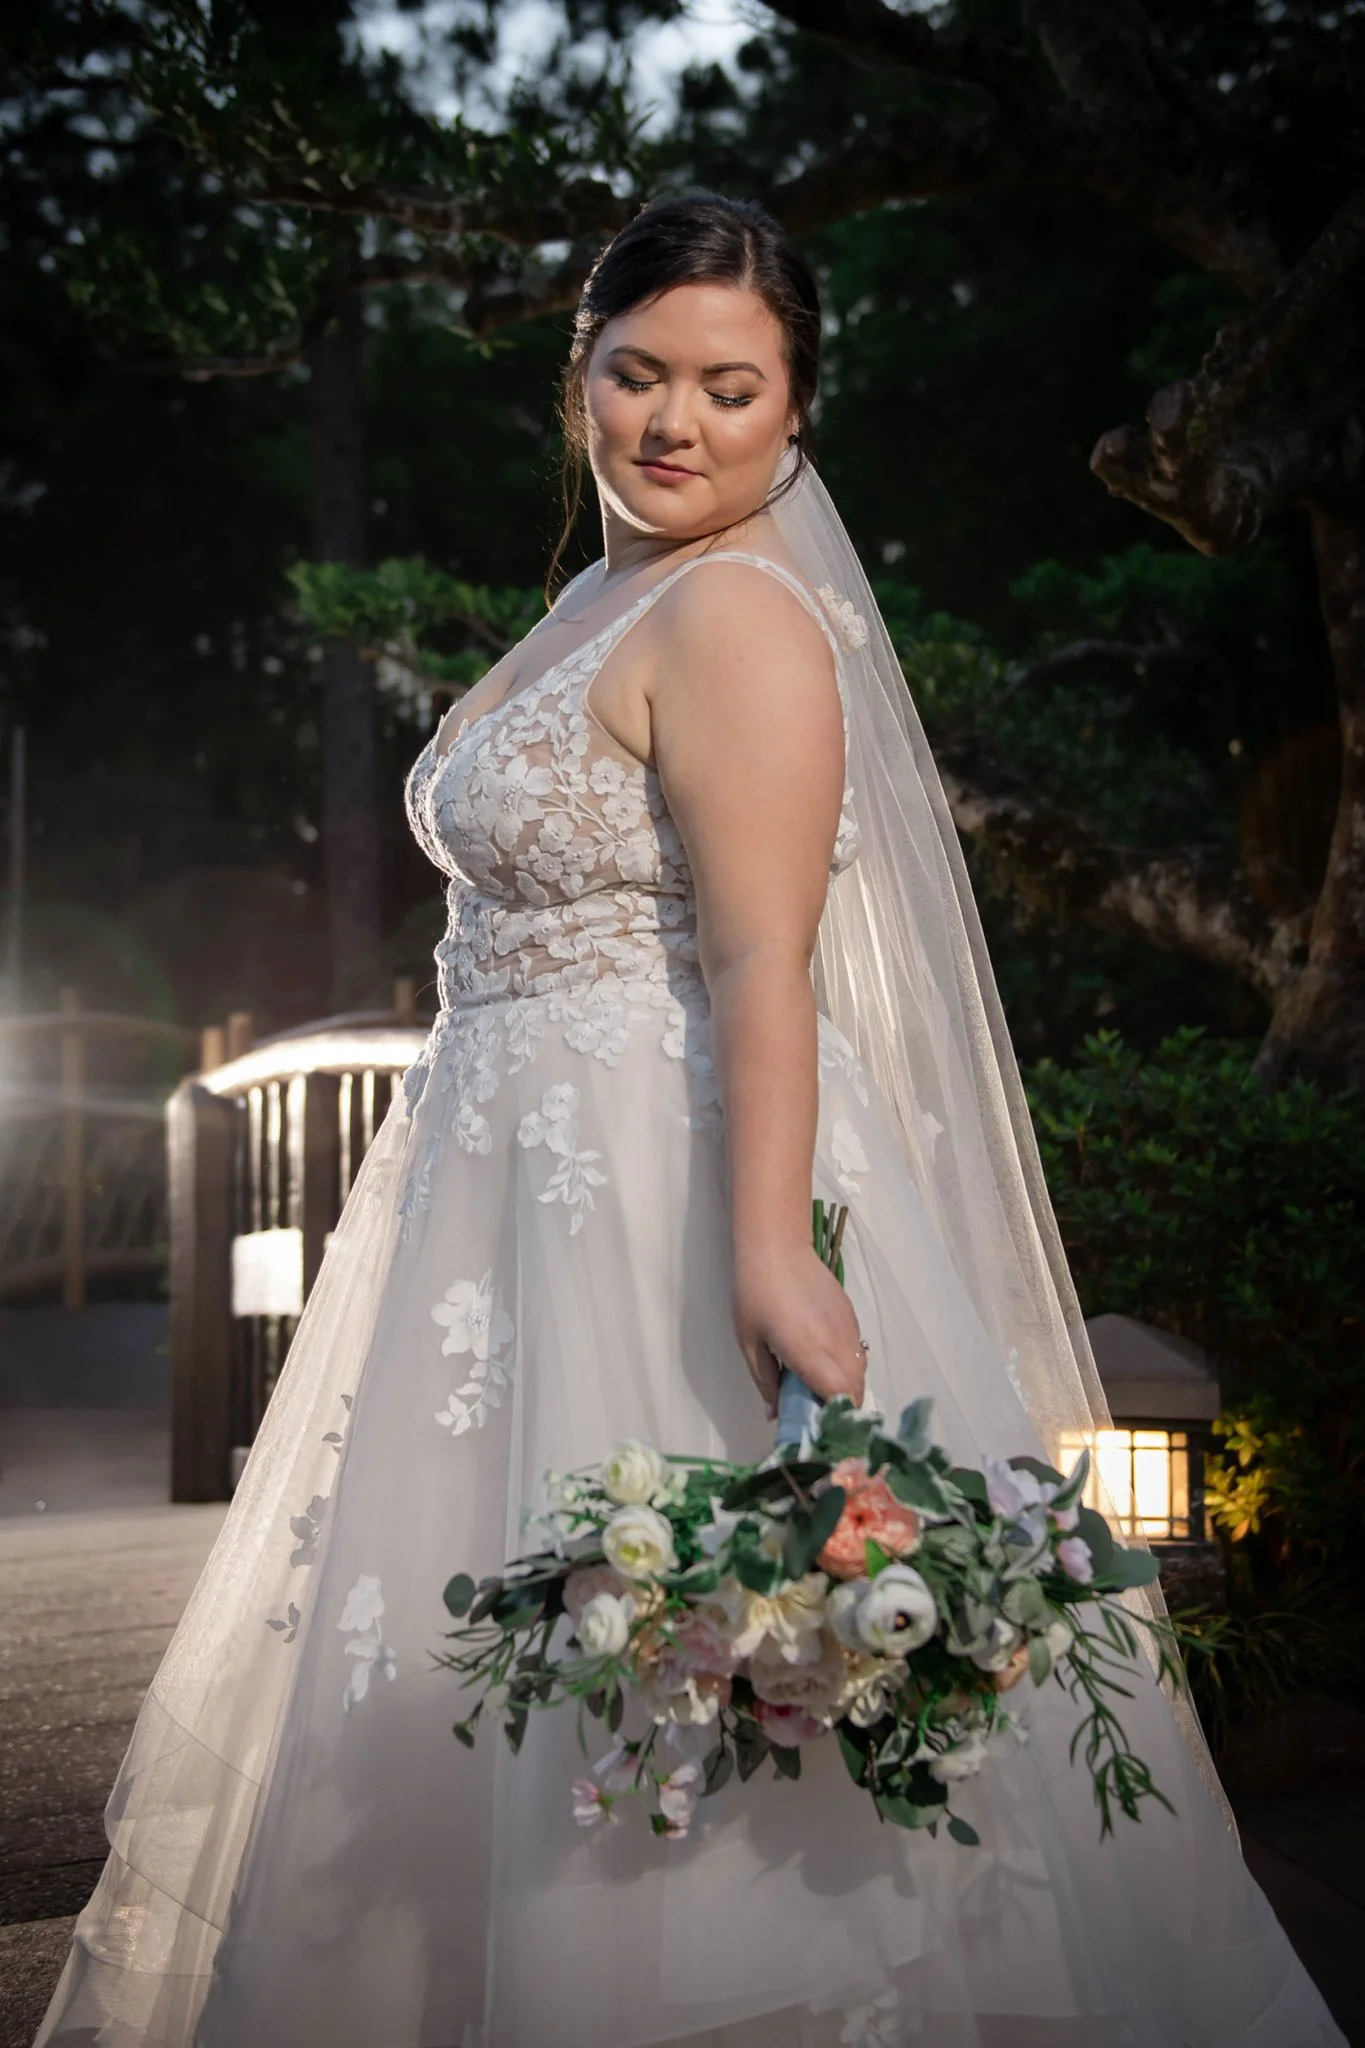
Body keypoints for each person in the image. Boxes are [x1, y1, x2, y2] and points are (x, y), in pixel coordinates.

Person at [34, 193, 1344, 2048]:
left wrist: (762, 1253)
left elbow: (758, 963)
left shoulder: (741, 616)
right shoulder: (602, 591)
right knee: (489, 1679)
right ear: (581, 374)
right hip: (491, 1215)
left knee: (672, 1661)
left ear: (796, 415)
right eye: (637, 372)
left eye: (732, 389)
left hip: (647, 1203)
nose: (676, 423)